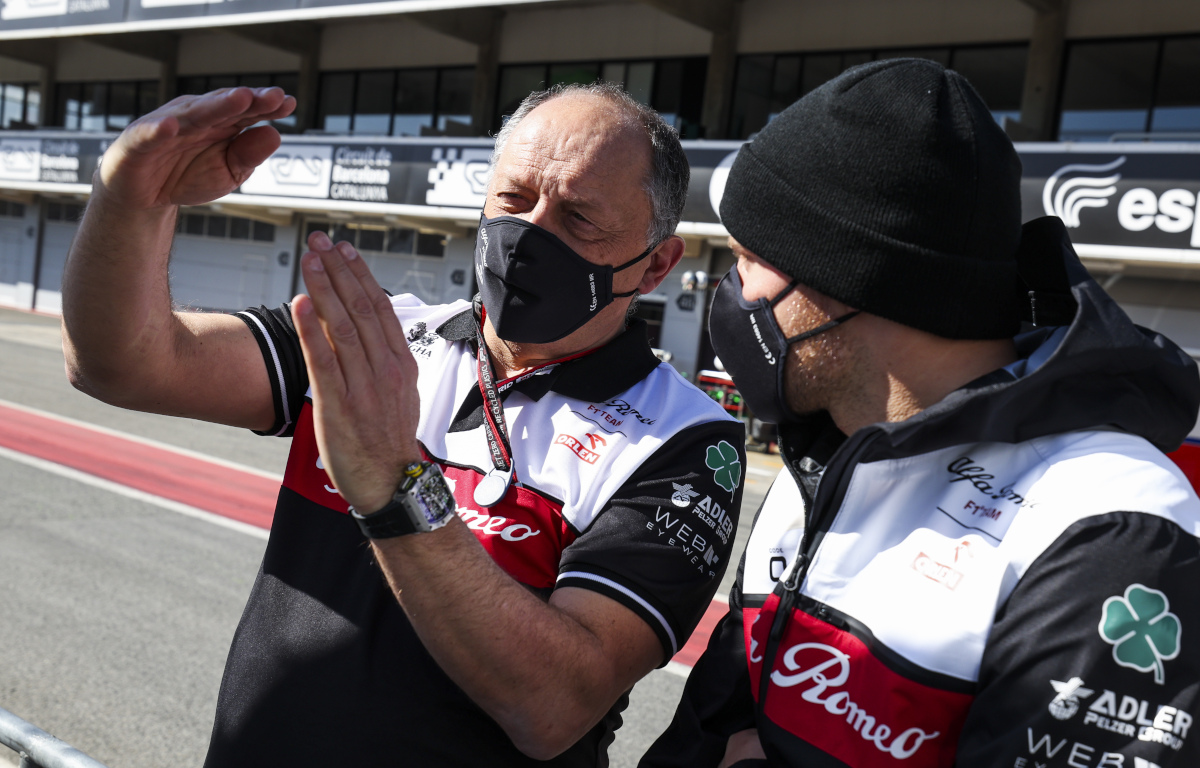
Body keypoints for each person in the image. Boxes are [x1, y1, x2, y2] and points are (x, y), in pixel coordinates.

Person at [61, 82, 746, 767]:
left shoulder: (684, 439)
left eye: (578, 219)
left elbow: (555, 706)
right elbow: (123, 362)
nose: (530, 234)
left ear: (655, 264)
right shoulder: (382, 334)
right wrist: (130, 202)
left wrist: (397, 486)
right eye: (513, 199)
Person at [641, 59, 1200, 768]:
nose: (734, 288)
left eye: (751, 259)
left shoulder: (1109, 528)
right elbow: (708, 730)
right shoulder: (824, 456)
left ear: (855, 277)